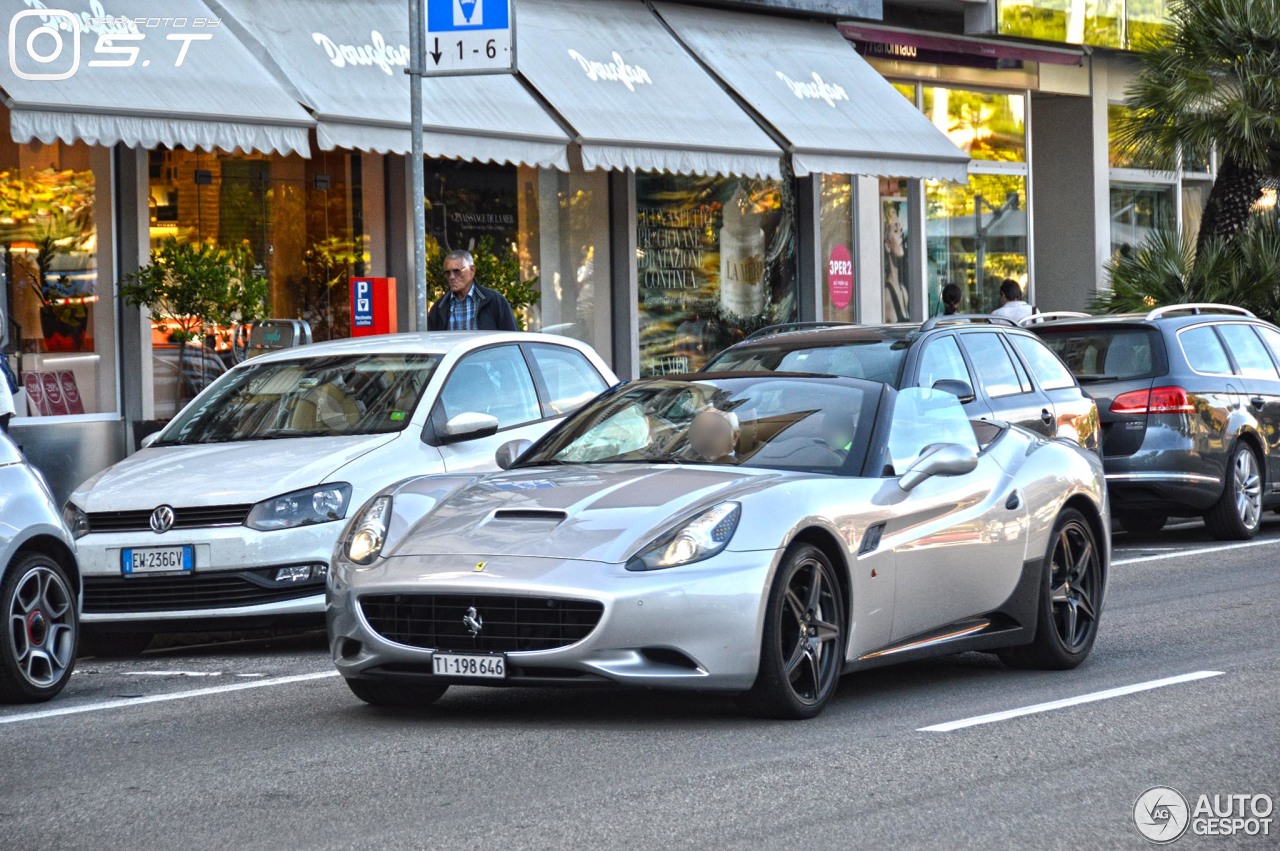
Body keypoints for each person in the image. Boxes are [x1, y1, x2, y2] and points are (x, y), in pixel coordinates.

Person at [426, 249, 519, 332]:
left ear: (472, 270)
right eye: (447, 273)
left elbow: (512, 339)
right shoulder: (439, 307)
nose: (452, 277)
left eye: (457, 271)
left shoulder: (493, 300)